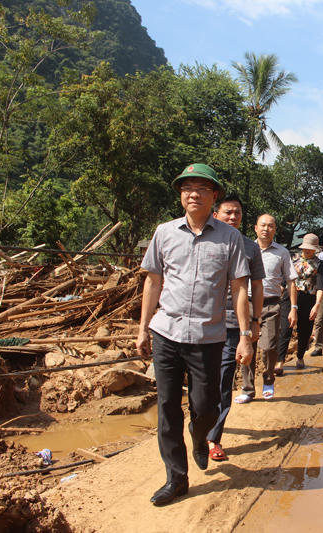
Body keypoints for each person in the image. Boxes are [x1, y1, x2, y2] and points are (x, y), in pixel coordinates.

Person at [136, 163, 251, 506]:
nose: (193, 193)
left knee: (206, 407)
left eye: (201, 188)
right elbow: (153, 280)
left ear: (213, 196)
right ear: (181, 195)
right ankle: (177, 478)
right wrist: (143, 329)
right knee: (168, 407)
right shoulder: (164, 233)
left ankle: (200, 438)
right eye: (187, 188)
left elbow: (239, 288)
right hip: (166, 333)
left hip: (208, 336)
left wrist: (245, 334)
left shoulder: (230, 238)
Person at [205, 194, 265, 462]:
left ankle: (213, 437)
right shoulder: (205, 240)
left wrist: (254, 322)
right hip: (203, 321)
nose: (233, 217)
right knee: (201, 381)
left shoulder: (250, 248)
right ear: (215, 214)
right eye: (228, 212)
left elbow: (258, 286)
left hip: (232, 323)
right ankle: (199, 428)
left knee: (224, 380)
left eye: (237, 213)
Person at [236, 214, 297, 403]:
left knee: (270, 345)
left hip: (271, 303)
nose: (266, 229)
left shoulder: (282, 252)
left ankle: (268, 380)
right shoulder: (244, 248)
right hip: (247, 303)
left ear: (275, 230)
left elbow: (291, 281)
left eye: (270, 226)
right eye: (263, 225)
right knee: (247, 343)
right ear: (255, 228)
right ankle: (248, 388)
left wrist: (294, 307)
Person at [290, 233, 323, 367]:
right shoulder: (293, 259)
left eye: (311, 249)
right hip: (292, 296)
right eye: (305, 248)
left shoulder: (319, 264)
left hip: (309, 298)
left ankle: (300, 356)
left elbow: (320, 286)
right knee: (286, 327)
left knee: (305, 330)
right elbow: (287, 278)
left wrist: (317, 305)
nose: (307, 251)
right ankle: (280, 360)